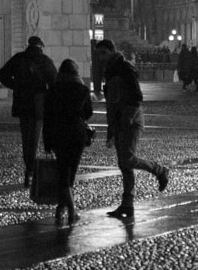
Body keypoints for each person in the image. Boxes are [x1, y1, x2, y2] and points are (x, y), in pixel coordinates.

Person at [101, 46, 169, 219]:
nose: (100, 56)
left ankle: (159, 170)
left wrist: (128, 118)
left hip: (130, 120)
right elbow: (110, 103)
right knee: (124, 164)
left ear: (111, 52)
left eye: (103, 52)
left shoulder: (125, 69)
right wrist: (111, 128)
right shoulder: (109, 71)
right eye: (99, 53)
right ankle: (127, 205)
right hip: (118, 120)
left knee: (127, 159)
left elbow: (137, 97)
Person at [0, 34, 55, 187]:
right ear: (40, 46)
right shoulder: (45, 61)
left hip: (23, 104)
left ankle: (29, 168)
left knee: (26, 138)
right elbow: (54, 82)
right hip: (38, 104)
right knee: (34, 138)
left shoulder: (19, 58)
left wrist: (15, 85)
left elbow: (1, 74)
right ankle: (30, 170)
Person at [42, 58, 94, 224]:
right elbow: (88, 112)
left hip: (59, 133)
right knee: (71, 172)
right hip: (77, 133)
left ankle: (65, 208)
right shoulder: (82, 90)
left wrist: (47, 141)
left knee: (63, 172)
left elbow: (47, 116)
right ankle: (68, 209)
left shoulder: (53, 90)